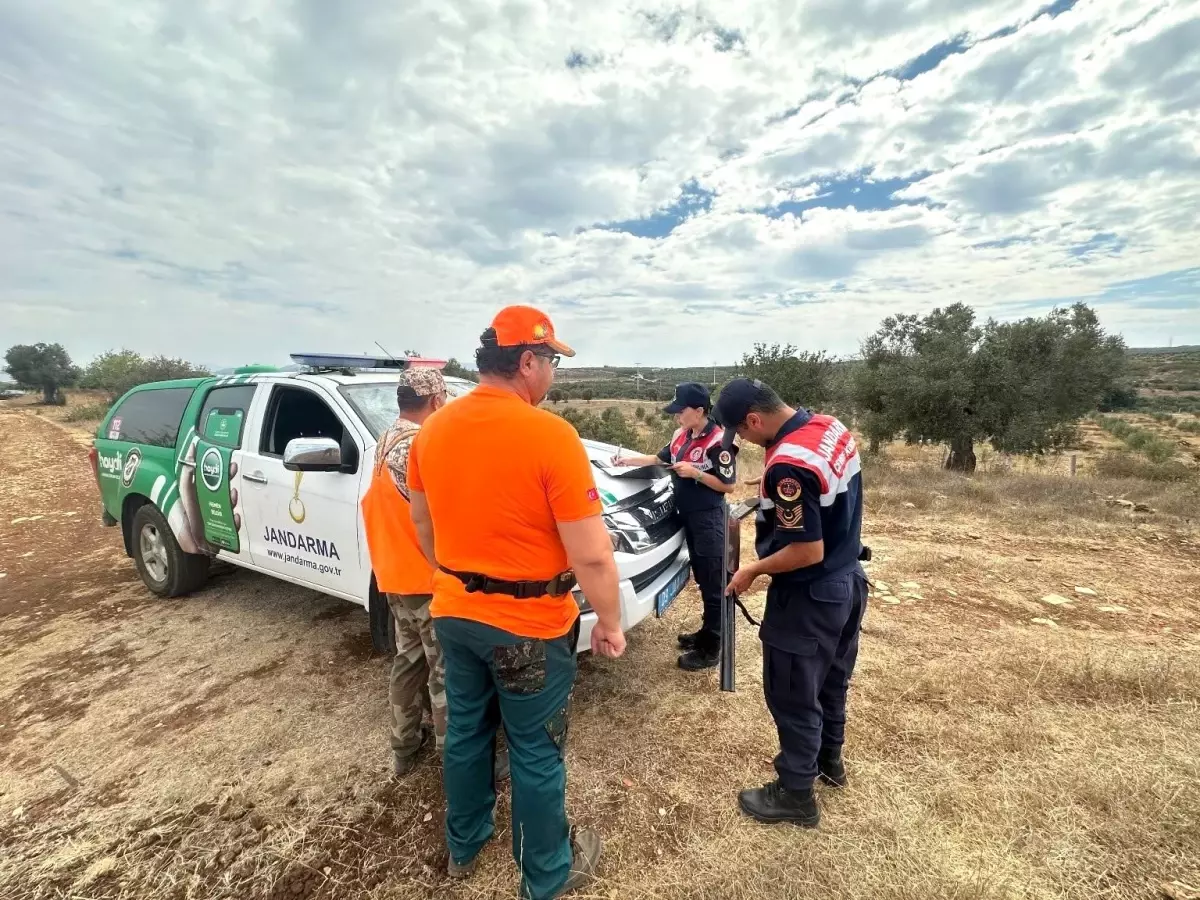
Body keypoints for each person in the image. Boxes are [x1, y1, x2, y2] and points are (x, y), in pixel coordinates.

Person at [407, 305, 626, 900]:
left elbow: (422, 525)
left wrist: (455, 575)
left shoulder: (433, 431)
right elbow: (593, 556)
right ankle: (547, 873)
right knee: (535, 749)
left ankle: (465, 844)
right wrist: (609, 621)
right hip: (529, 625)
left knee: (468, 731)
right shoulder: (550, 435)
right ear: (526, 361)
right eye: (551, 359)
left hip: (453, 611)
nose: (553, 372)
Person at [714, 377, 868, 828]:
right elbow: (826, 500)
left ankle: (796, 794)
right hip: (848, 582)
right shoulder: (828, 427)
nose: (741, 440)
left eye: (742, 432)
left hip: (809, 596)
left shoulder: (788, 465)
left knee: (793, 693)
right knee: (831, 680)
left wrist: (753, 570)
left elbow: (806, 549)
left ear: (756, 419)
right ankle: (828, 762)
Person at [610, 381, 737, 670]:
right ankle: (705, 634)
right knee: (703, 581)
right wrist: (625, 461)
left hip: (708, 520)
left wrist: (695, 473)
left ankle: (711, 649)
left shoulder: (719, 442)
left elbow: (728, 486)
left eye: (682, 411)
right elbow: (658, 458)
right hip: (687, 518)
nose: (677, 416)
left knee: (713, 585)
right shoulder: (682, 435)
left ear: (699, 410)